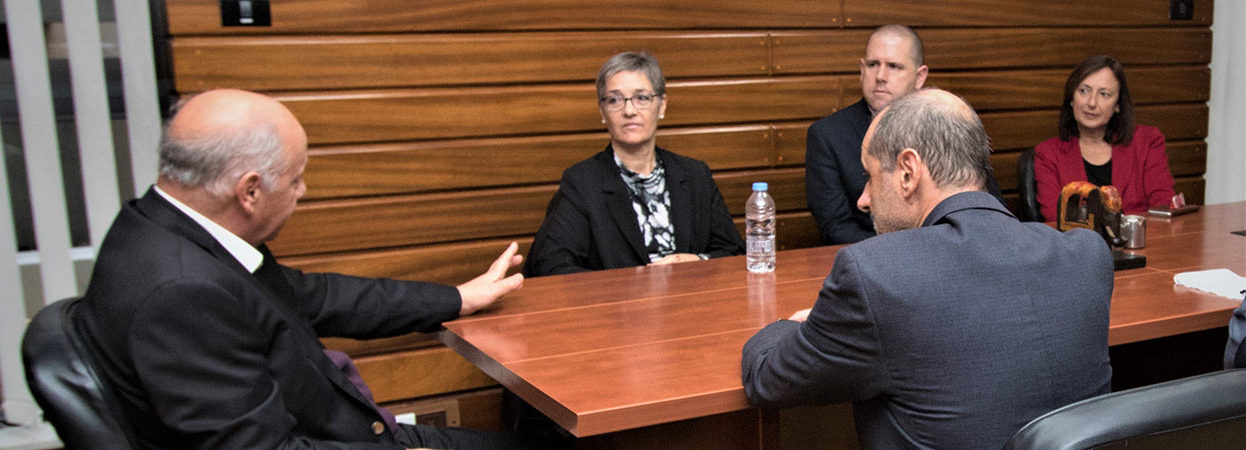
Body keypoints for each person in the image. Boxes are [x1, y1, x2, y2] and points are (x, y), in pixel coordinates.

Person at [74, 89, 543, 449]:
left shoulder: (157, 226)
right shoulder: (182, 293)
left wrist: (458, 298)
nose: (302, 192)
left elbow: (315, 296)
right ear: (249, 191)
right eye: (295, 179)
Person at [741, 88, 1113, 450]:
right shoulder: (1087, 255)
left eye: (870, 176)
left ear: (908, 172)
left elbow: (768, 379)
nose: (864, 199)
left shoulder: (875, 275)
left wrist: (797, 325)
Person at [524, 51, 743, 276]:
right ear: (602, 111)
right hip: (615, 299)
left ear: (662, 105)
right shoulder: (581, 182)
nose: (629, 111)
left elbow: (735, 253)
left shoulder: (695, 174)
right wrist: (629, 286)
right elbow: (550, 266)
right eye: (615, 100)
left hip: (690, 296)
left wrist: (697, 261)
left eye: (642, 98)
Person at [805, 24, 1003, 245]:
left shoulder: (948, 124)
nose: (880, 76)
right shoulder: (828, 134)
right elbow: (836, 229)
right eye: (872, 65)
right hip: (875, 255)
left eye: (894, 66)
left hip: (956, 250)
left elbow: (988, 204)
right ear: (862, 70)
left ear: (920, 76)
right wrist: (910, 251)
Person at [1034, 54, 1176, 221]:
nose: (1092, 103)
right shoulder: (1048, 154)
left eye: (1104, 94)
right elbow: (1056, 217)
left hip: (1143, 236)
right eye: (1084, 91)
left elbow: (1163, 207)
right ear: (1071, 98)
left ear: (1117, 105)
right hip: (1079, 238)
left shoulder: (1147, 141)